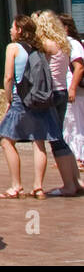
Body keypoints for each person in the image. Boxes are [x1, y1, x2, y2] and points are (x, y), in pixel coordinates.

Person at [0, 14, 78, 198]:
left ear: (19, 30)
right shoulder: (38, 47)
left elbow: (8, 77)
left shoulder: (14, 48)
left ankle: (16, 185)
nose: (10, 30)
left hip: (21, 99)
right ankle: (39, 186)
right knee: (39, 141)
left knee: (6, 140)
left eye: (12, 27)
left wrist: (7, 99)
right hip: (41, 98)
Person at [32, 10, 82, 195]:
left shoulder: (48, 44)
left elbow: (33, 45)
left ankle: (68, 185)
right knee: (60, 137)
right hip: (61, 91)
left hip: (51, 94)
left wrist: (34, 23)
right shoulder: (63, 44)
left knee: (55, 139)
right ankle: (75, 182)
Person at [59, 14, 84, 165]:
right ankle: (72, 156)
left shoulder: (72, 43)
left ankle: (78, 157)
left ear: (66, 28)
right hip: (71, 89)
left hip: (75, 90)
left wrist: (72, 89)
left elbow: (79, 67)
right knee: (70, 122)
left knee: (75, 122)